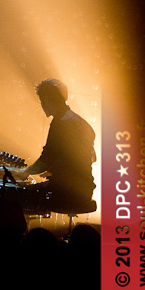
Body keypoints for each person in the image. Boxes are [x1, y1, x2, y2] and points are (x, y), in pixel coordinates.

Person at [12, 78, 97, 213]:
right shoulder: (82, 123)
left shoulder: (61, 123)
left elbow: (44, 161)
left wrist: (24, 172)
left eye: (41, 100)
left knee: (16, 195)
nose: (41, 104)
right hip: (85, 190)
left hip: (67, 194)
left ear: (46, 98)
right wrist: (60, 168)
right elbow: (91, 158)